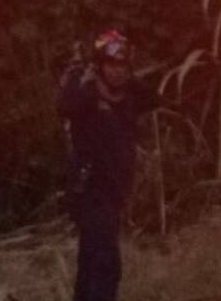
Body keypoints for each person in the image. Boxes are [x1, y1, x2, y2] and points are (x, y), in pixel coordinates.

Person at [58, 28, 158, 301]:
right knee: (106, 262)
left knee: (90, 259)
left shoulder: (129, 95)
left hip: (115, 191)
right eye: (111, 65)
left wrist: (131, 76)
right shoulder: (87, 93)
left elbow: (155, 97)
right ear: (100, 65)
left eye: (122, 65)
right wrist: (80, 75)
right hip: (89, 188)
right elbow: (65, 106)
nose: (117, 71)